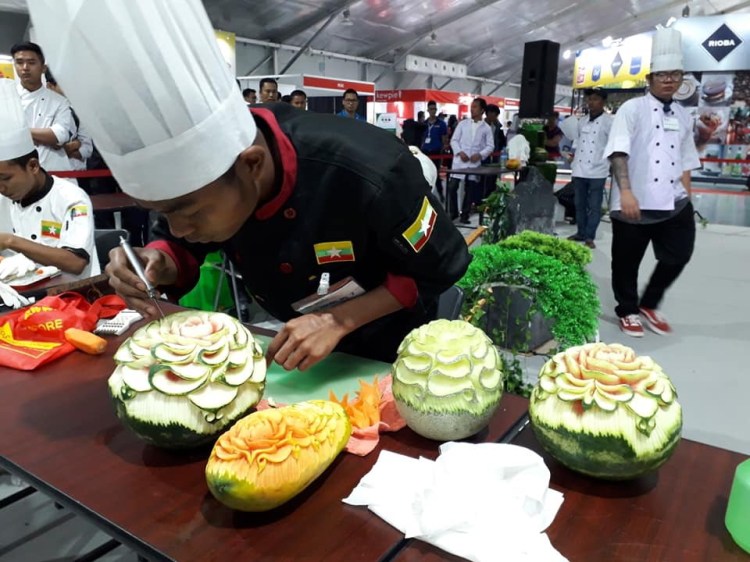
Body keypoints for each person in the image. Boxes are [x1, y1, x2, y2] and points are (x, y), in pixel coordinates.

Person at [28, 0, 471, 370]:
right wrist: (158, 262)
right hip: (293, 342)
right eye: (163, 212)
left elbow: (439, 268)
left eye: (188, 211)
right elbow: (179, 243)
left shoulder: (369, 170)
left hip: (391, 345)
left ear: (252, 166)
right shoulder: (207, 186)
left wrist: (338, 321)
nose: (178, 226)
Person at [604, 28, 700, 338]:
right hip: (635, 199)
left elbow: (686, 159)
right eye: (662, 75)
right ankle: (628, 309)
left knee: (679, 254)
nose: (669, 80)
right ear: (650, 78)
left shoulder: (683, 115)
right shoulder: (632, 109)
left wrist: (688, 197)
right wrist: (626, 192)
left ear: (681, 78)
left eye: (675, 74)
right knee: (626, 262)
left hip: (674, 201)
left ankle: (649, 303)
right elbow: (618, 151)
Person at [0, 79, 99, 280]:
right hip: (19, 292)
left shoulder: (71, 198)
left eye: (5, 178)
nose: (1, 187)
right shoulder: (4, 199)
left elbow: (75, 262)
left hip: (72, 292)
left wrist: (10, 241)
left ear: (33, 166)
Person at [10, 41, 76, 175]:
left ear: (43, 68)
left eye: (31, 62)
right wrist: (45, 136)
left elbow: (60, 136)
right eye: (19, 62)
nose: (25, 68)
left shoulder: (60, 102)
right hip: (18, 173)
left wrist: (18, 132)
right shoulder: (7, 99)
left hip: (55, 171)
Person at [562, 88, 613, 249]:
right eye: (589, 99)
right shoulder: (582, 121)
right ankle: (581, 232)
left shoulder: (609, 122)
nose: (591, 102)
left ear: (603, 102)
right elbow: (577, 142)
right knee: (579, 203)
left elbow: (612, 145)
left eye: (595, 99)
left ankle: (590, 236)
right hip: (580, 168)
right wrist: (572, 157)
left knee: (594, 205)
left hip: (598, 169)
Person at [448, 98, 494, 224]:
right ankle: (453, 213)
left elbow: (490, 146)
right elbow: (454, 140)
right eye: (471, 106)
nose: (472, 109)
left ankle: (465, 214)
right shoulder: (462, 124)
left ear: (482, 110)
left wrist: (480, 155)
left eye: (475, 107)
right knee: (452, 187)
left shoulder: (486, 128)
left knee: (470, 189)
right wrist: (459, 152)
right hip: (459, 162)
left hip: (474, 163)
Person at [420, 100, 449, 201]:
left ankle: (441, 195)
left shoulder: (442, 124)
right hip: (425, 151)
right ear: (428, 110)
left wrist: (443, 148)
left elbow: (444, 138)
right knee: (424, 173)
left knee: (435, 173)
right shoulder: (423, 124)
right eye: (431, 109)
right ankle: (425, 195)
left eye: (434, 109)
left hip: (436, 152)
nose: (433, 111)